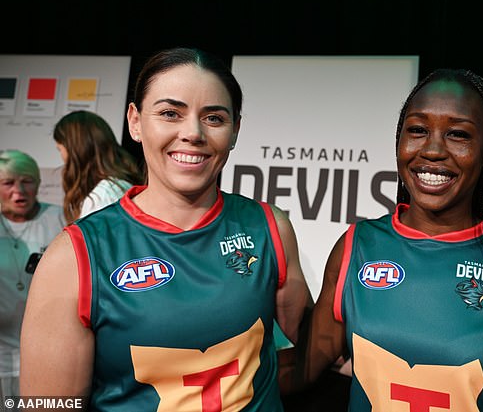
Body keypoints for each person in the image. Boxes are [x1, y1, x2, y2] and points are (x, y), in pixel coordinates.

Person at [20, 47, 312, 411]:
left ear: (236, 130)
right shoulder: (76, 255)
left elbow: (308, 355)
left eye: (214, 118)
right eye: (170, 113)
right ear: (135, 121)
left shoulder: (270, 227)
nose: (192, 133)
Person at [297, 69, 483, 411]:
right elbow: (300, 369)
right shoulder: (356, 246)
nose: (432, 150)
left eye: (458, 134)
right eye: (417, 130)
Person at [0, 150, 65, 406]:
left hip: (49, 357)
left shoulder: (61, 218)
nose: (19, 191)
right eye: (8, 183)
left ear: (38, 183)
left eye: (26, 181)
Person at [53, 110, 144, 224]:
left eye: (60, 149)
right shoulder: (116, 186)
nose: (62, 157)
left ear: (75, 150)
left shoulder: (102, 196)